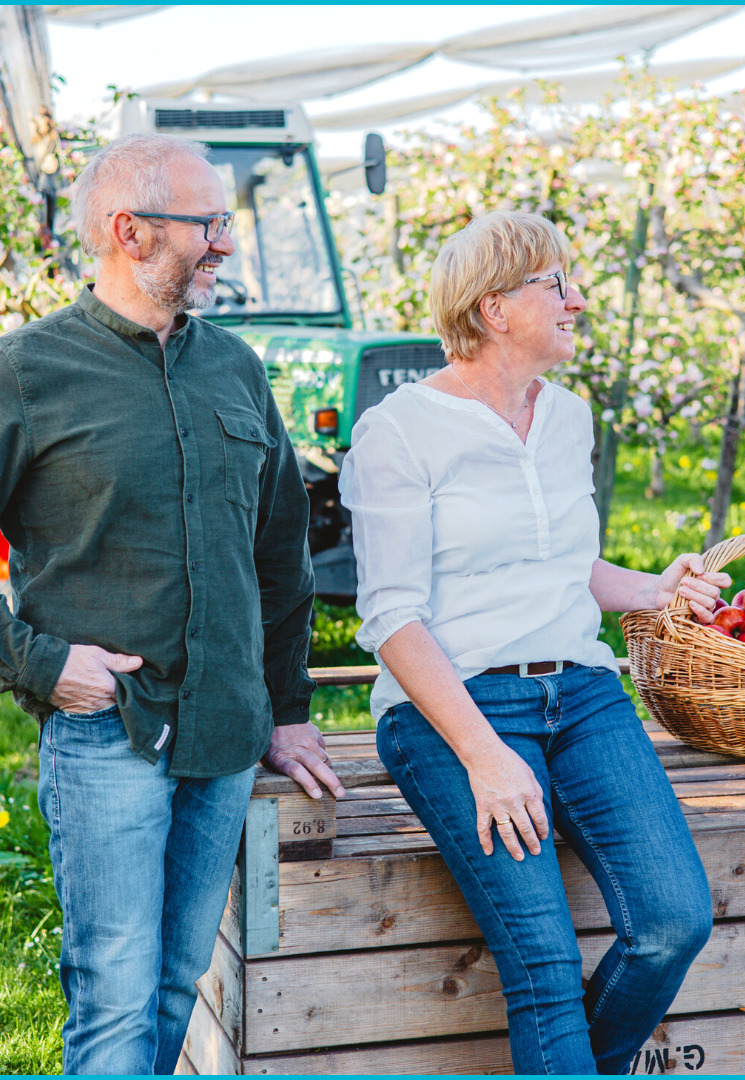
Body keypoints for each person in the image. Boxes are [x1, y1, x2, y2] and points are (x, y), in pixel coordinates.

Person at [339, 210, 726, 1075]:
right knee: (544, 967)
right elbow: (392, 617)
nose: (577, 300)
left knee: (673, 922)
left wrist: (655, 589)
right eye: (555, 284)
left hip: (583, 696)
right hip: (455, 708)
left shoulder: (568, 418)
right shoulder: (399, 433)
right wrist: (483, 756)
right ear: (492, 309)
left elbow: (561, 560)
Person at [0, 133, 344, 1075]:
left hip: (226, 732)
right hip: (109, 732)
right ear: (130, 232)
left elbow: (281, 552)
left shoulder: (233, 366)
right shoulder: (27, 372)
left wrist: (288, 708)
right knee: (112, 995)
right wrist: (38, 663)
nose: (225, 244)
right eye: (209, 224)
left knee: (171, 986)